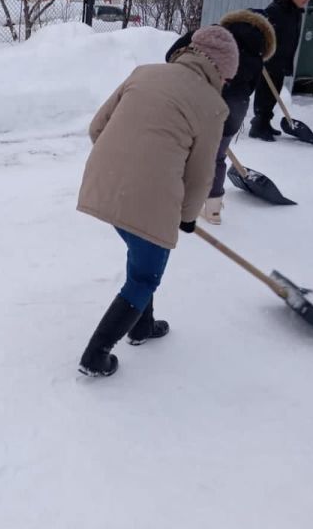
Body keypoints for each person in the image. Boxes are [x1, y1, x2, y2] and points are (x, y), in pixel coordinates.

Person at [76, 26, 238, 377]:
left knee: (139, 250)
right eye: (228, 77)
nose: (227, 83)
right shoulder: (214, 106)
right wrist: (187, 217)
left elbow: (96, 128)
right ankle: (95, 355)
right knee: (145, 277)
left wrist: (119, 167)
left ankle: (142, 326)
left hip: (103, 182)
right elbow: (199, 176)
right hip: (151, 199)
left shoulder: (144, 72)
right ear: (220, 71)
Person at [165, 10, 276, 224]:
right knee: (215, 157)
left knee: (183, 150)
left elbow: (171, 55)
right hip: (233, 109)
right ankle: (213, 209)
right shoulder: (257, 54)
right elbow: (250, 88)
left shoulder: (208, 35)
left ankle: (176, 199)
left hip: (194, 98)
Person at [249, 0, 313, 141]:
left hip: (282, 60)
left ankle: (265, 123)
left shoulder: (294, 11)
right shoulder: (277, 10)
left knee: (274, 93)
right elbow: (261, 28)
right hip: (270, 60)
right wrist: (261, 52)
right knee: (265, 93)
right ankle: (258, 126)